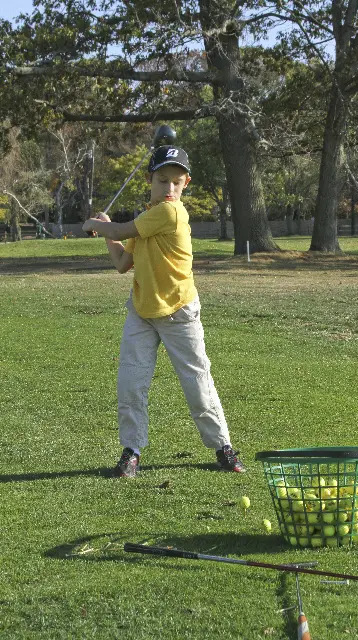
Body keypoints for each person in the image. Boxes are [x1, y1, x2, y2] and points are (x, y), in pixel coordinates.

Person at [82, 144, 245, 477]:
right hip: (142, 312)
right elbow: (122, 262)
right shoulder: (147, 217)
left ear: (186, 184)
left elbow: (123, 231)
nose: (169, 188)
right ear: (149, 181)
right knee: (131, 384)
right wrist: (105, 230)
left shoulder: (171, 213)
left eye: (176, 181)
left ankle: (223, 448)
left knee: (197, 384)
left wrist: (97, 224)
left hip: (179, 312)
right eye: (162, 180)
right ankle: (131, 452)